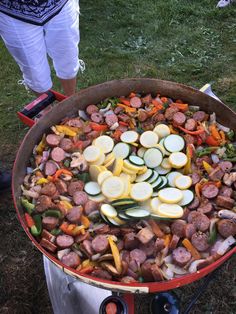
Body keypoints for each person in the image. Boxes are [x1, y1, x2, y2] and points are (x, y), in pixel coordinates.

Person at [0, 0, 84, 96]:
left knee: (68, 58)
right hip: (13, 11)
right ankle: (47, 109)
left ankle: (71, 101)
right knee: (35, 74)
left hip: (61, 3)